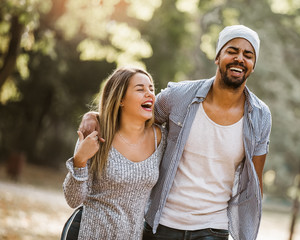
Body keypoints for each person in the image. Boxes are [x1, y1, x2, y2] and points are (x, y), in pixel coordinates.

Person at [81, 24, 271, 240]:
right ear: (218, 57)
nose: (239, 59)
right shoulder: (179, 97)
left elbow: (255, 183)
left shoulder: (260, 116)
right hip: (162, 224)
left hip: (213, 227)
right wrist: (95, 116)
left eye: (248, 55)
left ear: (253, 65)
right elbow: (136, 114)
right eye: (232, 51)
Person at [63, 67, 166, 240]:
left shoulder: (161, 138)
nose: (149, 94)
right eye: (140, 89)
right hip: (88, 233)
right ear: (120, 99)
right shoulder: (95, 133)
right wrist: (80, 160)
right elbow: (73, 199)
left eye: (151, 89)